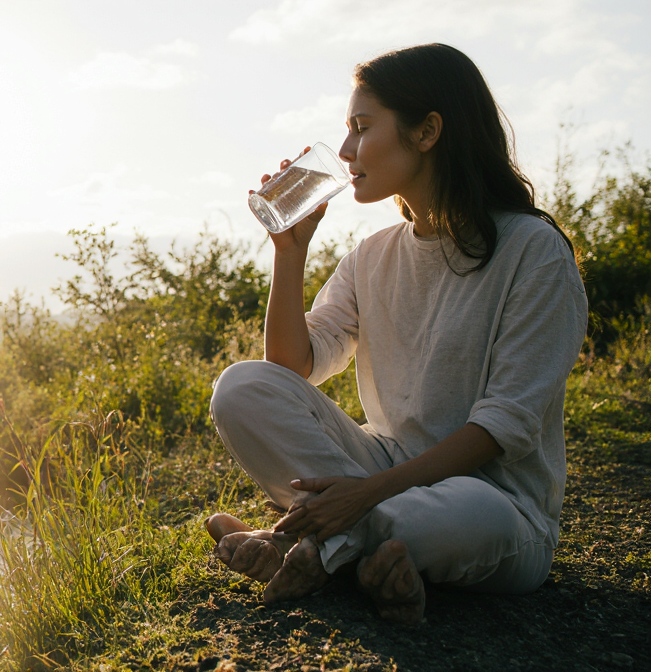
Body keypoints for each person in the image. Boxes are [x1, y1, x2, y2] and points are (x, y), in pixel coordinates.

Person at [203, 43, 588, 624]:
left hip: (494, 502)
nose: (346, 150)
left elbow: (501, 426)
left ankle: (302, 543)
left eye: (361, 127)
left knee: (442, 515)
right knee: (241, 388)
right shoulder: (371, 257)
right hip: (381, 467)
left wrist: (370, 492)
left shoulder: (534, 253)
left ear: (427, 131)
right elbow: (291, 367)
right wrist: (290, 253)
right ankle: (361, 556)